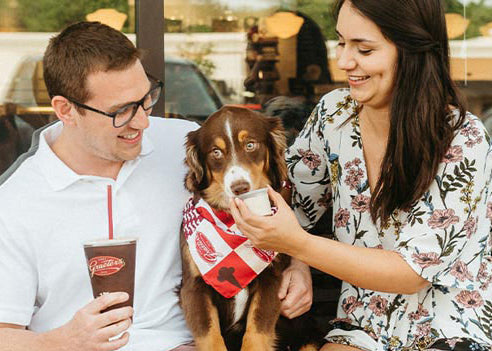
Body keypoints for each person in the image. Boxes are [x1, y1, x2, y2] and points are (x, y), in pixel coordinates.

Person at [0, 21, 313, 351]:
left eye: (145, 99)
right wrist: (61, 341)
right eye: (121, 111)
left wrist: (298, 265)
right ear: (66, 110)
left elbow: (269, 200)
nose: (143, 122)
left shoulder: (184, 145)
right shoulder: (16, 202)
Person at [230, 0, 492, 350]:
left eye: (364, 49)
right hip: (362, 326)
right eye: (341, 42)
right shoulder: (334, 113)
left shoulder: (463, 137)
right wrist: (296, 263)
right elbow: (293, 201)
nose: (343, 62)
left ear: (412, 50)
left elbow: (411, 272)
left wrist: (298, 245)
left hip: (448, 329)